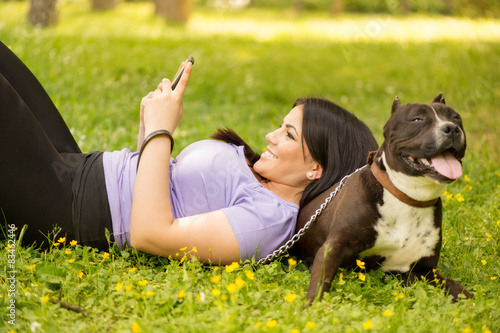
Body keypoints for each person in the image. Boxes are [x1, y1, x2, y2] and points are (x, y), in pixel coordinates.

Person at [0, 42, 378, 265]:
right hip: (79, 168)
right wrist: (150, 125)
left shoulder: (268, 220)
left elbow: (149, 233)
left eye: (288, 133)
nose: (270, 135)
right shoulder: (259, 179)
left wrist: (163, 131)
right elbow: (156, 182)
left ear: (316, 168)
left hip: (67, 208)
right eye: (280, 125)